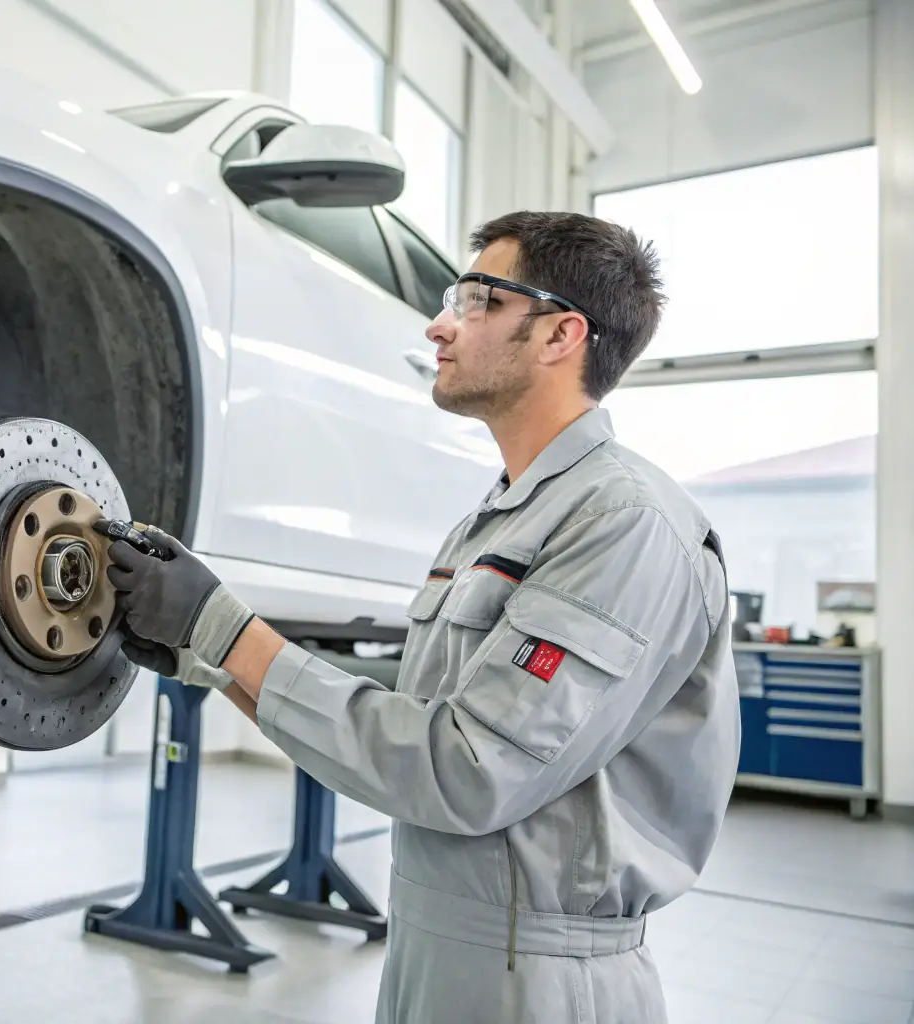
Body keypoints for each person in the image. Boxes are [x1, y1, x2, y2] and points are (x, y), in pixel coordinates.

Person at [100, 211, 741, 1024]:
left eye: (477, 300)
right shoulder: (499, 518)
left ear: (559, 335)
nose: (439, 324)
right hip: (438, 943)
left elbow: (465, 770)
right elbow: (413, 708)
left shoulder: (625, 523)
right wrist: (202, 653)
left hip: (537, 978)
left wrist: (226, 629)